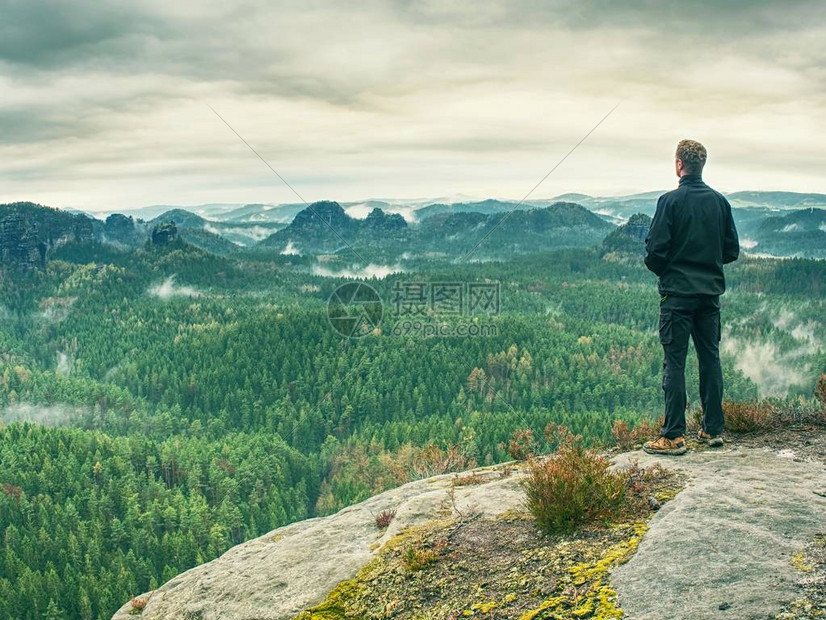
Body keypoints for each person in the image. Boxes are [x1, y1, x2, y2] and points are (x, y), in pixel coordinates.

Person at [642, 139, 740, 455]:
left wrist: (669, 271)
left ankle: (673, 436)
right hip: (709, 295)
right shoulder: (720, 203)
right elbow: (731, 251)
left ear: (679, 164)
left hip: (677, 296)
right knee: (710, 357)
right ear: (702, 165)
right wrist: (706, 264)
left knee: (675, 362)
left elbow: (655, 252)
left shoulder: (669, 202)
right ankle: (713, 430)